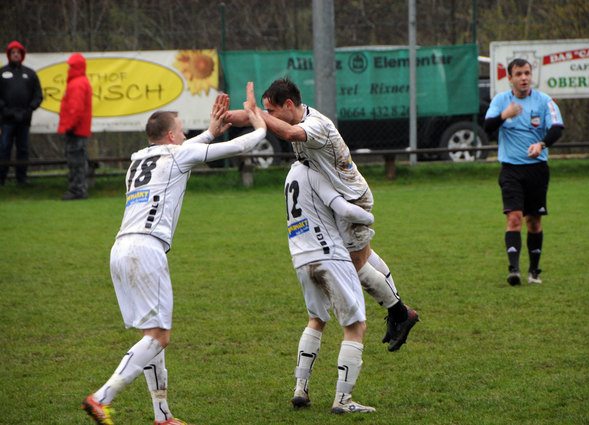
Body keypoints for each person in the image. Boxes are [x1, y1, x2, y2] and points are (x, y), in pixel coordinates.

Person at [82, 85, 266, 425]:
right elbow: (239, 146)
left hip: (121, 248)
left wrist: (209, 133)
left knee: (152, 334)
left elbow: (182, 151)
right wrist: (261, 126)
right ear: (170, 135)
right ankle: (100, 397)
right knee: (160, 336)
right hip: (146, 250)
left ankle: (162, 416)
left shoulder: (138, 159)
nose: (185, 135)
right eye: (182, 131)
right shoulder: (178, 154)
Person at [225, 78, 419, 352]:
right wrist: (226, 117)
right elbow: (255, 117)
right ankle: (398, 311)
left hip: (351, 199)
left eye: (272, 111)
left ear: (289, 105)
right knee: (365, 256)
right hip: (338, 199)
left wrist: (258, 116)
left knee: (355, 265)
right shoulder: (293, 117)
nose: (268, 116)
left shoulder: (316, 125)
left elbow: (289, 134)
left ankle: (400, 313)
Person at [285, 160, 376, 414]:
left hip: (301, 257)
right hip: (329, 255)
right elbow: (344, 210)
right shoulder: (316, 171)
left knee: (316, 319)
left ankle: (300, 389)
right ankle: (343, 400)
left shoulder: (292, 172)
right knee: (355, 326)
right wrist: (369, 217)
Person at [484, 58, 564, 286]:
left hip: (537, 170)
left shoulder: (544, 101)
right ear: (510, 78)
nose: (524, 78)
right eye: (518, 74)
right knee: (514, 218)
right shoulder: (501, 101)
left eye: (527, 73)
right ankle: (514, 270)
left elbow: (557, 128)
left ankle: (534, 271)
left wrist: (541, 145)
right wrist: (504, 115)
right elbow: (487, 126)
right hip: (510, 170)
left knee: (534, 222)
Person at [0, 40, 42, 186]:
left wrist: (30, 109)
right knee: (4, 147)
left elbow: (38, 95)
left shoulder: (30, 74)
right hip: (7, 119)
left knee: (23, 149)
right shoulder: (2, 73)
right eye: (13, 52)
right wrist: (4, 109)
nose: (16, 55)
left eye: (18, 52)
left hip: (24, 118)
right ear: (9, 55)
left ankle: (22, 178)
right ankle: (1, 178)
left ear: (22, 55)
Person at [58, 53, 93, 200]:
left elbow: (75, 108)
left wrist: (70, 126)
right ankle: (78, 189)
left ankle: (77, 190)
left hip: (76, 130)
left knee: (76, 161)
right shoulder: (81, 81)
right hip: (80, 129)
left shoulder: (77, 83)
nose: (68, 69)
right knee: (79, 160)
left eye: (70, 66)